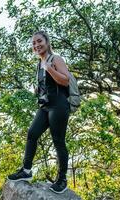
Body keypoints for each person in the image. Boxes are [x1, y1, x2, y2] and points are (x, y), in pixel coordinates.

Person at [7, 30, 71, 194]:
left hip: (59, 105)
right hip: (45, 106)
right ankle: (26, 171)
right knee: (32, 133)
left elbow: (65, 80)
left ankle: (62, 179)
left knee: (58, 141)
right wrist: (38, 89)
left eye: (39, 41)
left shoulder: (55, 59)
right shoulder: (39, 64)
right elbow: (48, 85)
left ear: (47, 42)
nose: (36, 45)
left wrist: (50, 69)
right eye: (34, 43)